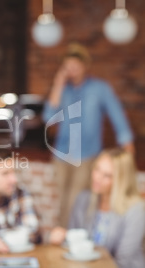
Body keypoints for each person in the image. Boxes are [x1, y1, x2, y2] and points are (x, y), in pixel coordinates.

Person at [42, 42, 134, 228]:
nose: (72, 70)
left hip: (86, 156)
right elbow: (48, 117)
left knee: (75, 201)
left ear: (85, 65)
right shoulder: (64, 90)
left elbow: (117, 116)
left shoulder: (100, 88)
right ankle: (66, 240)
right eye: (68, 66)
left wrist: (127, 145)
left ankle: (67, 240)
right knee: (63, 201)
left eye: (75, 65)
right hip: (61, 155)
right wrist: (58, 84)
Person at [49, 148, 145, 268]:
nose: (97, 178)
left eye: (107, 175)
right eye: (97, 169)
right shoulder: (83, 199)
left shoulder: (135, 210)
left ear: (121, 181)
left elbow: (122, 262)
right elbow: (73, 244)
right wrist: (62, 238)